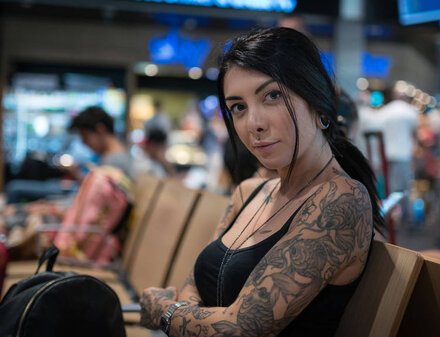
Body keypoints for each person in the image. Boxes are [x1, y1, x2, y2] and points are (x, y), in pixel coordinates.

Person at [138, 27, 384, 337]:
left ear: (319, 105)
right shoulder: (250, 193)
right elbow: (193, 290)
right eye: (238, 107)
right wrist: (185, 315)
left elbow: (241, 329)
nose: (254, 124)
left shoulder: (341, 199)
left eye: (272, 96)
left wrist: (164, 312)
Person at [68, 106, 133, 179]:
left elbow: (100, 189)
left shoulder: (113, 161)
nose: (84, 142)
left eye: (85, 136)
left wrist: (77, 174)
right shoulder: (120, 153)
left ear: (100, 129)